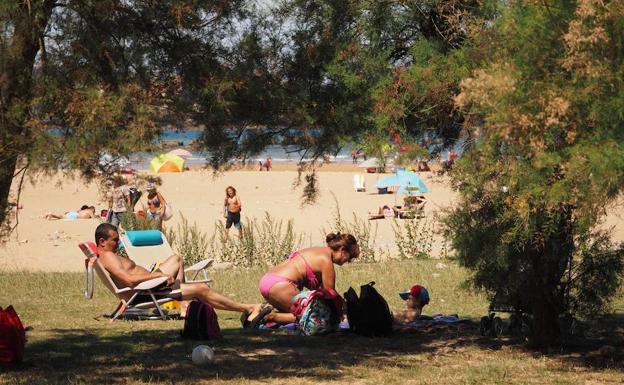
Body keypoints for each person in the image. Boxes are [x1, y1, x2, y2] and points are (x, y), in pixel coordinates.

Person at [94, 223, 269, 324]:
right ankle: (247, 307)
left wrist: (156, 275)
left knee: (176, 259)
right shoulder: (108, 256)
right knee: (201, 288)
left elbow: (128, 278)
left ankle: (184, 303)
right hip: (145, 293)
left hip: (150, 288)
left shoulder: (106, 256)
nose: (118, 243)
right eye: (114, 240)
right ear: (102, 241)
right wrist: (157, 276)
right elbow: (129, 280)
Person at [257, 232, 360, 325]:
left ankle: (255, 310)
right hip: (281, 285)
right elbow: (330, 295)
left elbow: (322, 291)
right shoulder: (326, 261)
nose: (347, 261)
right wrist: (343, 312)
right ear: (342, 250)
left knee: (295, 312)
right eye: (349, 258)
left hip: (267, 281)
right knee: (315, 317)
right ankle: (271, 317)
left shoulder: (317, 251)